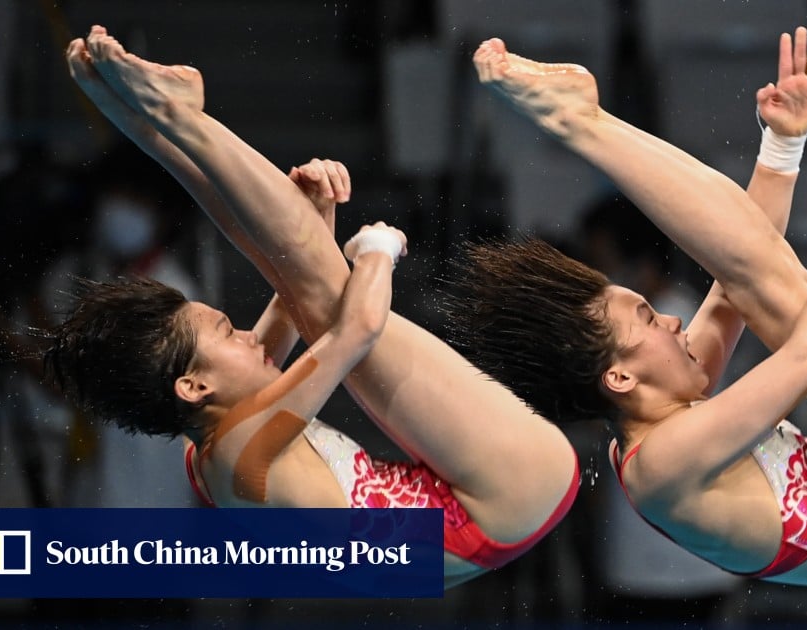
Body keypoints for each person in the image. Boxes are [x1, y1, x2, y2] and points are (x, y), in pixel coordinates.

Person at [454, 32, 807, 587]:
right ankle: (577, 122)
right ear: (620, 375)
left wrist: (782, 146)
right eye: (650, 320)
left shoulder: (663, 416)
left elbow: (735, 284)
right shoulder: (661, 465)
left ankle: (582, 121)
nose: (674, 319)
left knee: (763, 284)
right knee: (782, 294)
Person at [45, 26, 579, 588]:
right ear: (193, 385)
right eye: (228, 332)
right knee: (325, 289)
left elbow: (289, 286)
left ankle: (145, 120)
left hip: (482, 509)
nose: (249, 336)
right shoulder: (243, 451)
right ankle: (180, 120)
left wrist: (315, 219)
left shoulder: (211, 443)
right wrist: (377, 250)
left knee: (302, 277)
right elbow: (356, 328)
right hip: (502, 503)